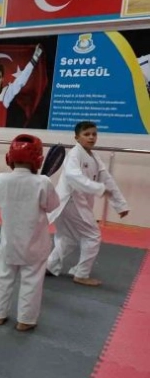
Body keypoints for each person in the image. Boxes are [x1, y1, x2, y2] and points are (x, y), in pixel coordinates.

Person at [46, 121, 130, 287]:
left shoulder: (94, 158)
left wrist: (120, 204)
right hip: (70, 201)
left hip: (69, 203)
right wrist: (98, 189)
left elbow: (107, 180)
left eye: (94, 134)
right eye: (87, 134)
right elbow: (73, 177)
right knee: (92, 236)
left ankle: (50, 265)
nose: (91, 137)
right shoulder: (74, 154)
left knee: (68, 238)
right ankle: (82, 274)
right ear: (77, 137)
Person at [0, 134, 60, 332]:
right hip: (34, 242)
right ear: (38, 159)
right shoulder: (43, 182)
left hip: (9, 241)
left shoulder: (1, 179)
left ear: (9, 158)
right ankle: (26, 320)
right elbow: (52, 206)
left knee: (3, 278)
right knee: (32, 281)